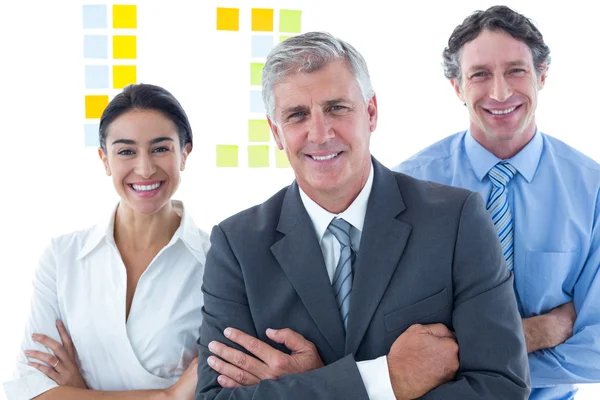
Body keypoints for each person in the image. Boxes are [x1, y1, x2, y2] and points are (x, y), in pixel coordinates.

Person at [195, 31, 530, 399]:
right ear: (276, 132)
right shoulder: (237, 247)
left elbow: (502, 388)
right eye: (297, 115)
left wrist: (309, 387)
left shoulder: (457, 219)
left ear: (371, 113)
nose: (320, 134)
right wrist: (384, 380)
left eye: (337, 108)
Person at [393, 5, 600, 400]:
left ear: (541, 76)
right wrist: (535, 332)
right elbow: (390, 336)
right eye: (480, 75)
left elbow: (597, 349)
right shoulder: (408, 186)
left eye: (516, 71)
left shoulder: (592, 190)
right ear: (457, 87)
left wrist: (466, 366)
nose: (500, 92)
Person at [3, 83, 210, 400]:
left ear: (184, 153)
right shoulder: (62, 257)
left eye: (160, 148)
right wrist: (167, 396)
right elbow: (31, 390)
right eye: (126, 151)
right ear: (104, 159)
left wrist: (79, 392)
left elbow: (217, 389)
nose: (144, 168)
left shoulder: (218, 260)